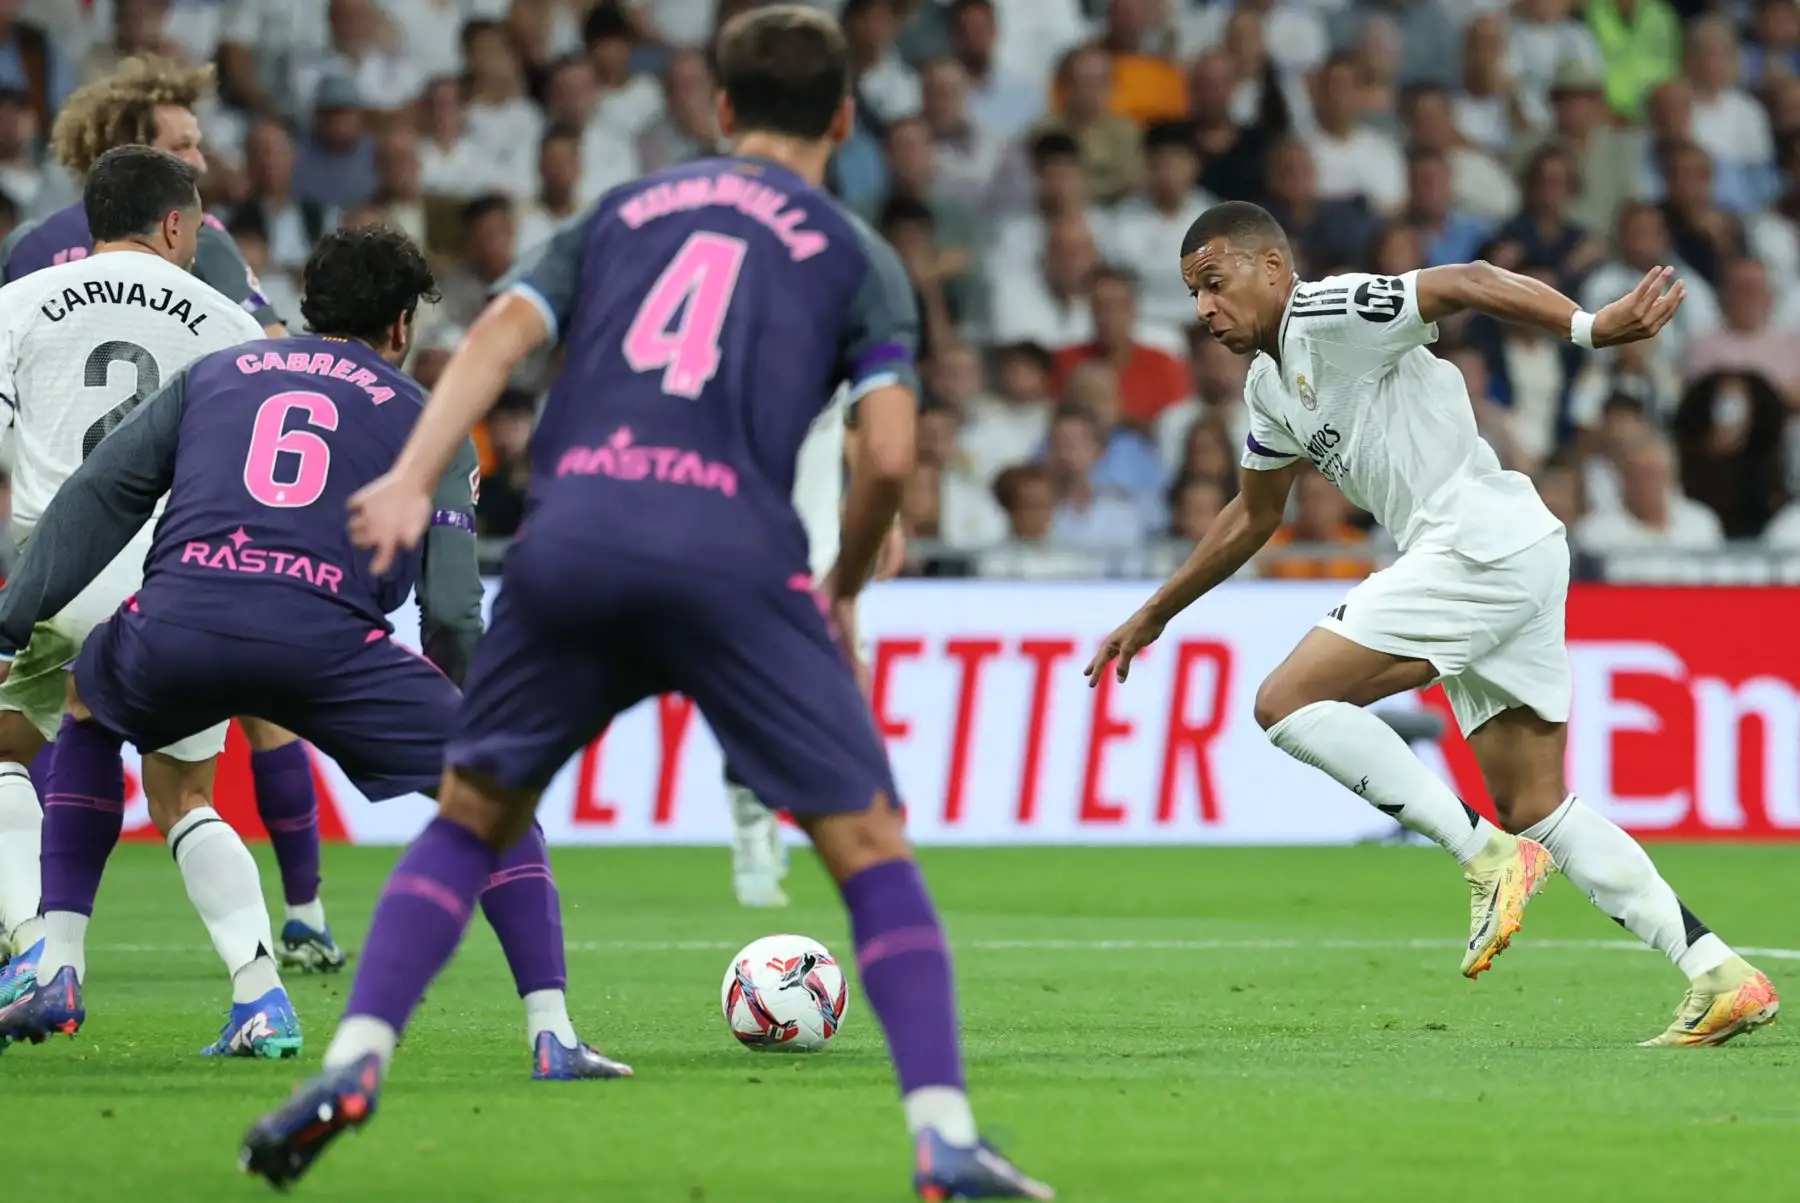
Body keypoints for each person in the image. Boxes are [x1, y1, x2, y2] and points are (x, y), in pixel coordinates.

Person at [240, 9, 1053, 1199]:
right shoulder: (860, 256)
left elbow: (502, 333)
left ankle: (354, 1063)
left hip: (575, 539)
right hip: (732, 555)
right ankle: (942, 1137)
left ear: (719, 110)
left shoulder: (619, 212)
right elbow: (884, 454)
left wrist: (415, 470)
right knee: (868, 844)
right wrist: (838, 588)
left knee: (470, 815)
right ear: (841, 116)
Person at [1088, 200, 1778, 1048]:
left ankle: (1481, 853)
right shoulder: (1269, 386)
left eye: (1215, 282)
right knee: (1536, 804)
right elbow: (1253, 513)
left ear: (1272, 267)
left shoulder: (1329, 310)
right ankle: (1717, 971)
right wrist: (1154, 612)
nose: (1204, 308)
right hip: (1505, 552)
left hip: (1470, 545)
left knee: (1286, 701)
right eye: (1193, 292)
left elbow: (1470, 281)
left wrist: (1591, 329)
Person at [0, 222, 630, 1083]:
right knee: (497, 798)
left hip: (182, 619)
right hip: (326, 642)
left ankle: (59, 967)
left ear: (309, 305)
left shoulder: (213, 374)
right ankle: (552, 1033)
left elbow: (95, 499)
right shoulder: (424, 418)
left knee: (87, 702)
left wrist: (12, 620)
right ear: (402, 326)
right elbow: (449, 605)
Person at [0, 55, 345, 975]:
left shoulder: (21, 276)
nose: (200, 160)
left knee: (16, 743)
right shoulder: (219, 296)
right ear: (173, 216)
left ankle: (37, 948)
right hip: (176, 578)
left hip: (50, 561)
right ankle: (265, 973)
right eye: (185, 148)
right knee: (190, 790)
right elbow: (264, 411)